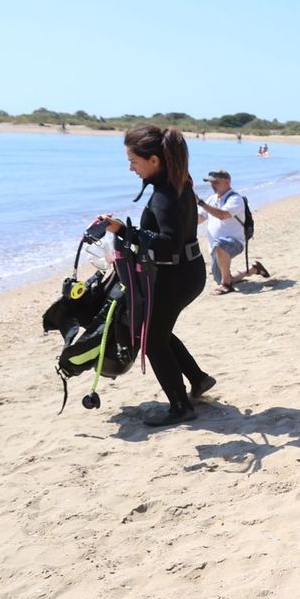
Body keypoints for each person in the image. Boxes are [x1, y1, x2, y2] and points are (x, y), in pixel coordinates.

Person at [100, 125, 216, 426]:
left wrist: (126, 232)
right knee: (158, 330)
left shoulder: (165, 194)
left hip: (176, 276)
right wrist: (121, 229)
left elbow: (167, 243)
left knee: (151, 340)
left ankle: (181, 406)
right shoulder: (179, 182)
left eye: (134, 161)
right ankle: (198, 379)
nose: (130, 168)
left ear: (154, 161)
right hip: (188, 271)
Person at [196, 170, 266, 293]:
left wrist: (201, 203)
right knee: (221, 278)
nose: (213, 185)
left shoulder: (235, 199)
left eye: (216, 182)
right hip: (216, 247)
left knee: (220, 246)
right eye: (211, 183)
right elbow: (200, 218)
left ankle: (227, 286)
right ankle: (254, 269)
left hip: (234, 243)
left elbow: (223, 215)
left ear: (227, 182)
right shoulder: (212, 199)